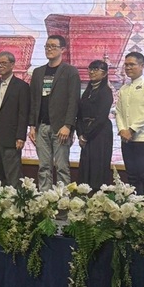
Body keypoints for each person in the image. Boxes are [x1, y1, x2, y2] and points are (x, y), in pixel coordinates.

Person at [29, 34, 81, 190]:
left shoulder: (70, 71)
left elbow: (74, 101)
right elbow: (33, 100)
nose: (49, 49)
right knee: (43, 166)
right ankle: (44, 198)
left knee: (61, 166)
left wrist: (68, 125)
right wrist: (32, 126)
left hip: (61, 128)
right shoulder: (38, 72)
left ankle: (63, 199)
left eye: (53, 46)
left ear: (63, 49)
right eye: (47, 46)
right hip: (41, 126)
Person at [0, 51, 30, 187]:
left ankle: (14, 199)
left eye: (4, 63)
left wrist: (20, 136)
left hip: (11, 136)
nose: (0, 66)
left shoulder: (21, 86)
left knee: (12, 173)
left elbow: (23, 113)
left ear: (12, 64)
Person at [116, 52, 144, 194]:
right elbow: (119, 112)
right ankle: (133, 205)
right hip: (126, 139)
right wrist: (122, 130)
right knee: (131, 177)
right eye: (126, 65)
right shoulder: (124, 88)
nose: (128, 68)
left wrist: (131, 130)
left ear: (142, 66)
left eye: (132, 64)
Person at [76, 59, 114, 190]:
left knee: (98, 165)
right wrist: (80, 133)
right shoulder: (87, 91)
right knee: (85, 165)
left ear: (105, 73)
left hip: (100, 134)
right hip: (86, 133)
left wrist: (86, 136)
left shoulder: (106, 92)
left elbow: (101, 118)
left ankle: (98, 196)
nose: (92, 72)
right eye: (91, 69)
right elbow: (80, 114)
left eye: (96, 69)